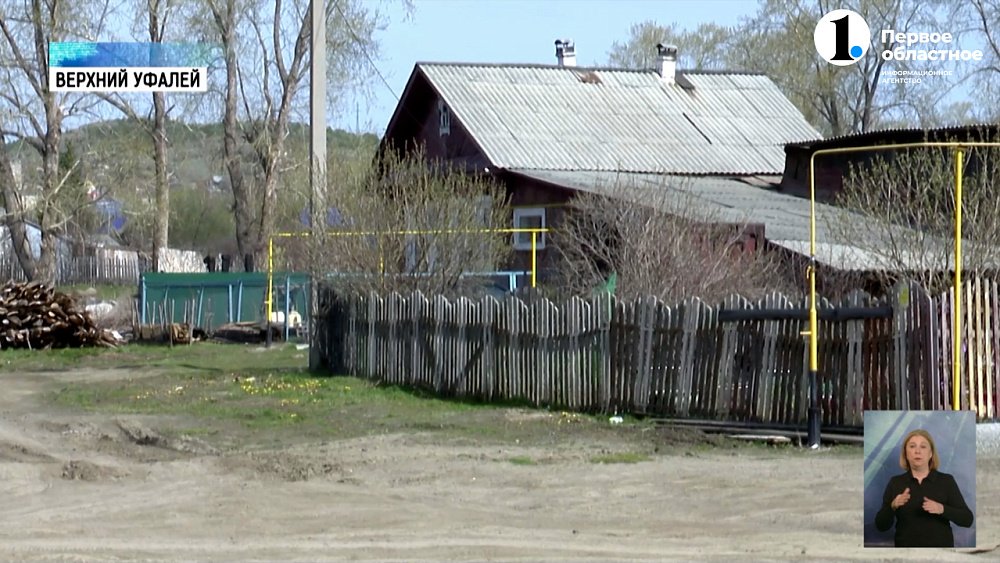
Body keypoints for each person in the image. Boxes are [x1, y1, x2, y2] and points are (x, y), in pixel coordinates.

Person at [874, 429, 974, 547]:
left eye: (923, 447)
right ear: (906, 453)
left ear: (930, 453)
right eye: (912, 446)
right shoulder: (896, 483)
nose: (917, 451)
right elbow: (881, 526)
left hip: (941, 554)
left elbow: (967, 519)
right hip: (906, 554)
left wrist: (942, 509)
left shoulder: (946, 481)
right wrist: (893, 505)